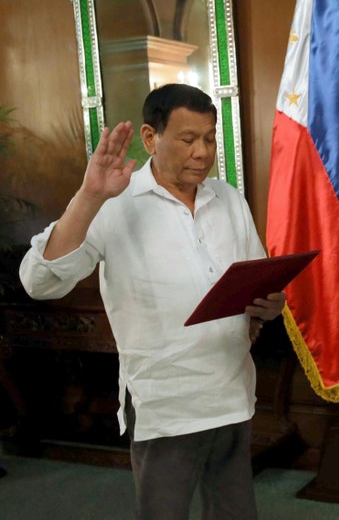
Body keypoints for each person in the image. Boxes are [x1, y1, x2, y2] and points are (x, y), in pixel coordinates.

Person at [19, 84, 286, 520]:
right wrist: (89, 196)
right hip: (165, 405)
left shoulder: (229, 199)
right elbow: (39, 281)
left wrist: (270, 305)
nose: (203, 152)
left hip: (232, 392)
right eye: (187, 139)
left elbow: (259, 281)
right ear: (150, 138)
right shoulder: (111, 203)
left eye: (209, 138)